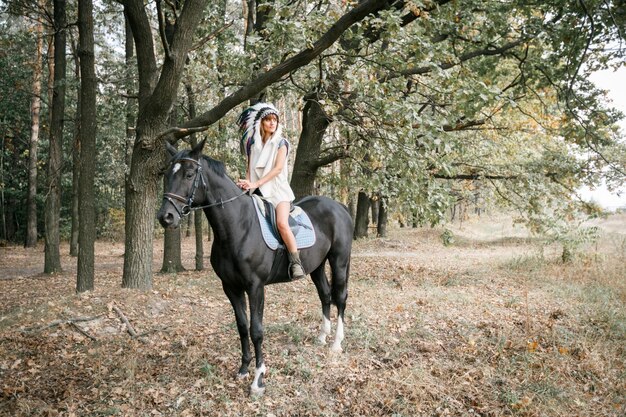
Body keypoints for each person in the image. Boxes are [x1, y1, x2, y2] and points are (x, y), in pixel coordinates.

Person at [236, 102, 306, 280]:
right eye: (268, 120)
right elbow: (249, 169)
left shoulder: (282, 143)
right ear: (261, 123)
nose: (272, 123)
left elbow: (277, 169)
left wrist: (256, 183)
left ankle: (295, 263)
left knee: (282, 223)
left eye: (274, 120)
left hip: (278, 192)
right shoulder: (252, 144)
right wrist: (247, 183)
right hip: (257, 193)